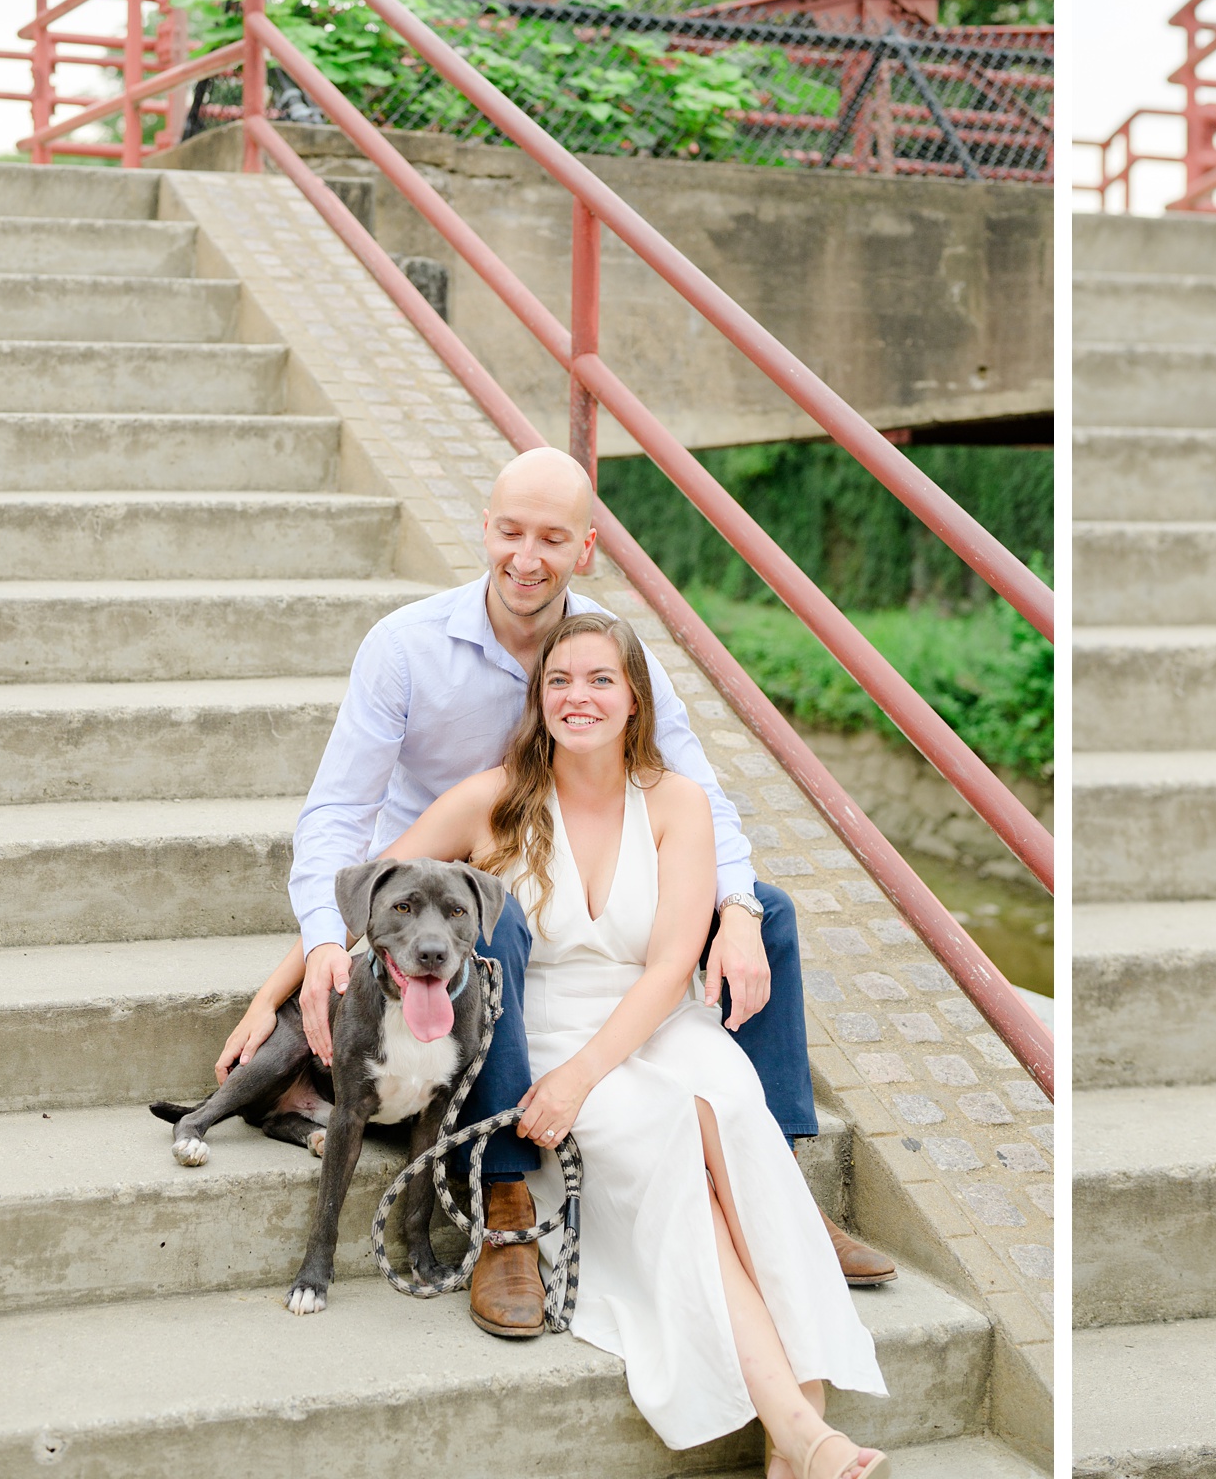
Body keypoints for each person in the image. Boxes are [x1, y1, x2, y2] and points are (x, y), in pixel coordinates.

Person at [214, 448, 894, 1341]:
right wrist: (299, 967)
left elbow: (695, 785)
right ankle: (503, 1203)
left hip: (586, 843)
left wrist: (737, 911)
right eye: (510, 531)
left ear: (587, 548)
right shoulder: (407, 646)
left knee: (771, 912)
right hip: (441, 882)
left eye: (552, 537)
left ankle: (779, 1184)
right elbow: (344, 821)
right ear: (486, 531)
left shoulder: (604, 648)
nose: (526, 556)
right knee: (497, 922)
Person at [384, 610, 886, 1473]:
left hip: (659, 1021)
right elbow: (376, 895)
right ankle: (805, 1437)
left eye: (600, 680)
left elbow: (668, 970)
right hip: (548, 1032)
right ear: (539, 701)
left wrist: (583, 1077)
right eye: (559, 681)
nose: (578, 697)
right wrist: (294, 982)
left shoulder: (677, 802)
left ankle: (797, 1441)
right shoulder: (490, 801)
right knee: (669, 1141)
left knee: (725, 1110)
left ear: (635, 699)